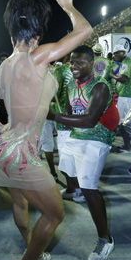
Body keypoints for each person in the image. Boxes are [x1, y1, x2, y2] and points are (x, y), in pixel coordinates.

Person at [0, 0, 92, 260]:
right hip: (23, 153)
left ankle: (32, 248)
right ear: (36, 36)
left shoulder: (1, 70)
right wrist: (68, 6)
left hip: (4, 149)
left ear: (12, 36)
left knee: (21, 202)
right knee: (55, 214)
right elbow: (85, 30)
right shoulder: (37, 58)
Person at [49, 45, 120, 260]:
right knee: (67, 170)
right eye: (72, 62)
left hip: (97, 137)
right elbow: (71, 113)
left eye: (79, 62)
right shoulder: (71, 83)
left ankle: (105, 239)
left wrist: (55, 116)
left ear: (91, 63)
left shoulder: (99, 86)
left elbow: (89, 120)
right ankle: (75, 190)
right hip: (77, 135)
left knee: (90, 188)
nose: (74, 66)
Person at [53, 54, 85, 202]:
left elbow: (55, 95)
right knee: (78, 157)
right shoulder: (88, 71)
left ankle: (75, 189)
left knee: (67, 159)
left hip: (66, 122)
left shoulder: (60, 71)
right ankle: (77, 189)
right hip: (81, 122)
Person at [109, 44, 131, 153]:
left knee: (122, 122)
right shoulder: (126, 62)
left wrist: (112, 76)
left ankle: (128, 146)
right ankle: (127, 145)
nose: (115, 56)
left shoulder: (127, 62)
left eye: (116, 54)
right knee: (123, 122)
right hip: (127, 95)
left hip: (127, 96)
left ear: (122, 53)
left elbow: (123, 79)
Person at [0, 52, 9, 124]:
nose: (3, 61)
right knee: (3, 119)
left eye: (5, 60)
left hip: (11, 99)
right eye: (1, 60)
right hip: (0, 99)